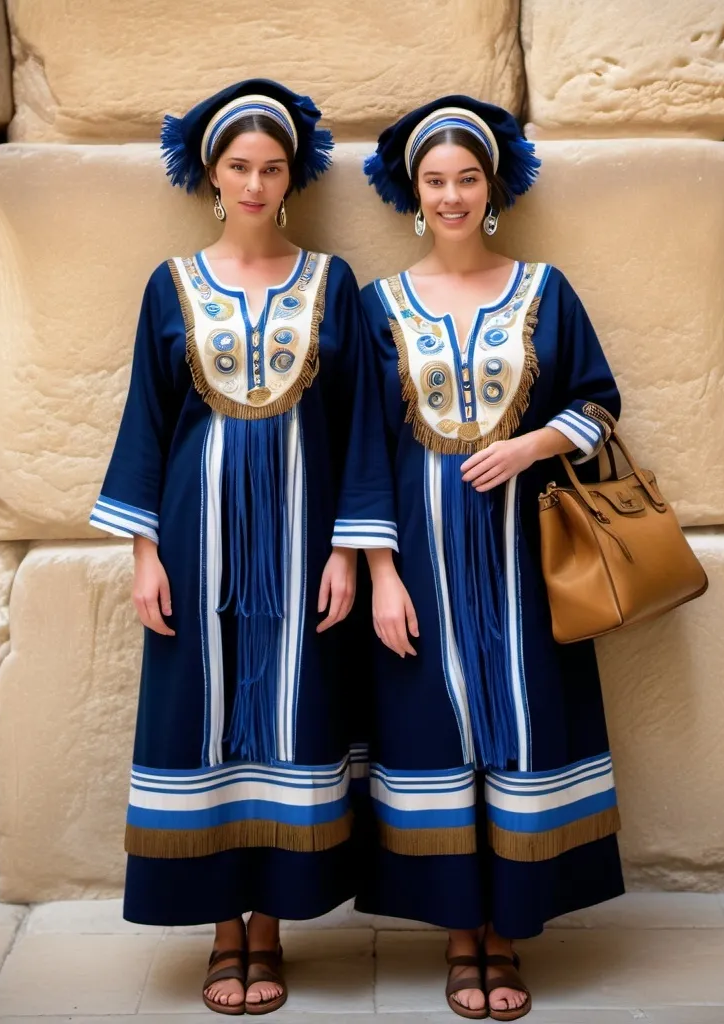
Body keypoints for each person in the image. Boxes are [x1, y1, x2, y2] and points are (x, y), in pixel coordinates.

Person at [89, 79, 395, 1016]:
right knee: (205, 717)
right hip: (195, 544)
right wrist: (145, 553)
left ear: (292, 174)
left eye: (272, 167)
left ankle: (274, 927)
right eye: (239, 167)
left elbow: (357, 427)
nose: (256, 182)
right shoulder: (171, 285)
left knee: (295, 715)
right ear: (213, 176)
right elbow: (148, 418)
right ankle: (226, 929)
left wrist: (350, 551)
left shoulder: (331, 282)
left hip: (304, 549)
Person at [356, 97, 625, 1020]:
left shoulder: (546, 291)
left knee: (520, 722)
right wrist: (380, 575)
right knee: (432, 728)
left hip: (523, 561)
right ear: (413, 193)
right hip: (420, 566)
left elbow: (598, 404)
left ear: (493, 185)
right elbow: (360, 449)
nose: (453, 195)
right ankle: (456, 937)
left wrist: (529, 445)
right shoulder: (377, 306)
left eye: (468, 178)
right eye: (436, 180)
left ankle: (506, 937)